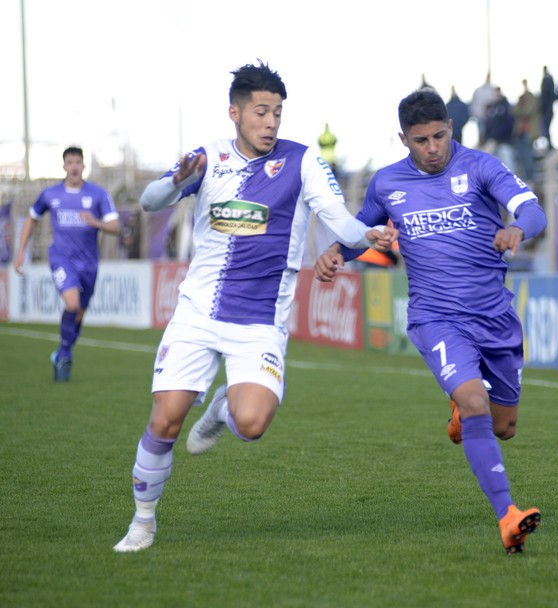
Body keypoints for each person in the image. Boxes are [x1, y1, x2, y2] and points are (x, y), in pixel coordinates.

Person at [112, 61, 397, 553]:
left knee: (253, 423)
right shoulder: (207, 158)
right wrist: (176, 180)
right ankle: (142, 523)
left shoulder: (302, 161)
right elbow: (150, 200)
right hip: (198, 312)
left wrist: (367, 235)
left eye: (277, 113)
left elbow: (341, 222)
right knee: (165, 421)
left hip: (260, 321)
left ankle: (222, 408)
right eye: (261, 112)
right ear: (235, 113)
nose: (270, 122)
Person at [314, 90, 547, 554]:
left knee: (504, 427)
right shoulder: (386, 184)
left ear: (451, 129)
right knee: (476, 402)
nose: (433, 147)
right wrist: (338, 253)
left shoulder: (481, 167)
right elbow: (364, 232)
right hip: (434, 316)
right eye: (421, 140)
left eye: (440, 136)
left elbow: (532, 208)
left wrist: (516, 229)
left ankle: (464, 409)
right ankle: (507, 515)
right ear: (404, 139)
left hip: (495, 316)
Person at [13, 146, 120, 382]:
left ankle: (63, 353)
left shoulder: (98, 195)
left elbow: (115, 226)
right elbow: (32, 217)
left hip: (89, 264)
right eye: (69, 162)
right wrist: (21, 251)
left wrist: (96, 223)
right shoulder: (51, 195)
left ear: (83, 166)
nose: (73, 166)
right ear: (64, 166)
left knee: (79, 314)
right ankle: (63, 356)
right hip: (61, 259)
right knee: (71, 304)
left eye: (77, 162)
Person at [539, 66, 555, 150]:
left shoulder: (546, 80)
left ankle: (549, 146)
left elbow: (545, 96)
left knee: (545, 128)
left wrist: (542, 108)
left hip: (547, 110)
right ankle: (549, 145)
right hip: (549, 109)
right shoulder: (550, 79)